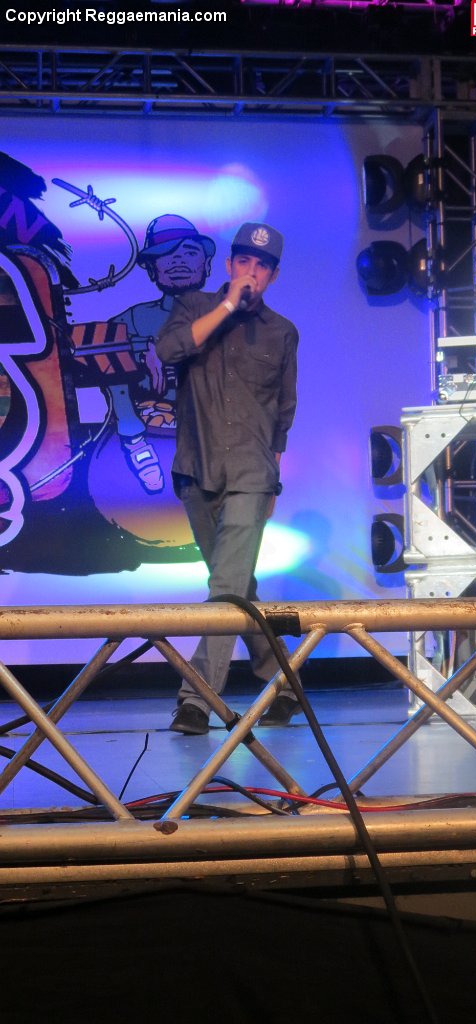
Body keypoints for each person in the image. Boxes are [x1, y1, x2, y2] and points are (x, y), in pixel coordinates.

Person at [156, 221, 301, 734]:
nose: (251, 272)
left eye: (262, 266)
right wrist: (226, 307)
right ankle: (285, 687)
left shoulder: (282, 332)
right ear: (230, 265)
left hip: (252, 475)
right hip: (196, 471)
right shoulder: (194, 306)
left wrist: (272, 483)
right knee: (239, 586)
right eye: (244, 262)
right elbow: (169, 351)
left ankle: (197, 701)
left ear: (273, 276)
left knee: (223, 587)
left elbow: (283, 412)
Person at [109, 215, 216, 492]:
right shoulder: (132, 319)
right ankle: (134, 441)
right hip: (148, 426)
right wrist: (137, 353)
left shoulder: (226, 316)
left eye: (189, 252)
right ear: (151, 268)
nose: (178, 261)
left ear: (206, 263)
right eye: (166, 254)